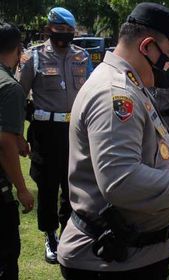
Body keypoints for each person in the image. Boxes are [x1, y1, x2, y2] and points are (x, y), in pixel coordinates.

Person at [57, 3, 169, 279]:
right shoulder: (115, 93)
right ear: (146, 47)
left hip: (130, 255)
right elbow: (122, 181)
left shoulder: (130, 84)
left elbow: (154, 149)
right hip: (111, 262)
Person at [16, 7, 93, 264]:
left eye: (69, 32)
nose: (64, 36)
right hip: (45, 133)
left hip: (74, 132)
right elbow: (18, 98)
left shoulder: (82, 56)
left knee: (73, 185)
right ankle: (50, 235)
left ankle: (68, 232)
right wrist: (18, 135)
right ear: (49, 29)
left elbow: (91, 95)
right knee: (47, 187)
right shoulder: (33, 57)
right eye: (60, 31)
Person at [0, 22, 34, 280]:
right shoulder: (10, 87)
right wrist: (22, 190)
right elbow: (4, 145)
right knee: (7, 257)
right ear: (18, 49)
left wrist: (17, 135)